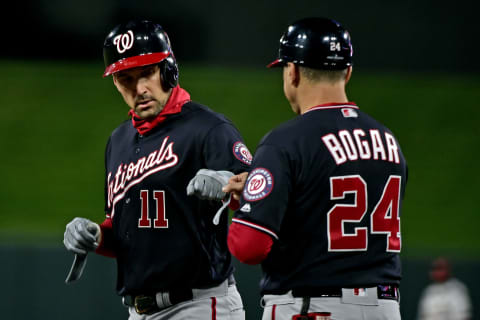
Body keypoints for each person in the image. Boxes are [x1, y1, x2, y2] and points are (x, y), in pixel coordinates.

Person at [63, 19, 251, 320]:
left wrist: (229, 183)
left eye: (147, 73)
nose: (139, 89)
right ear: (114, 82)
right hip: (138, 311)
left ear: (169, 69)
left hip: (198, 305)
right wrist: (96, 235)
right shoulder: (119, 140)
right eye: (126, 78)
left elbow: (263, 189)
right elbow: (128, 229)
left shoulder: (208, 128)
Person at [222, 17, 408, 320]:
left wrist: (248, 203)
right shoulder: (388, 141)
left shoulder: (285, 142)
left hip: (313, 307)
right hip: (384, 307)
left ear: (292, 71)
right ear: (347, 72)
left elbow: (248, 246)